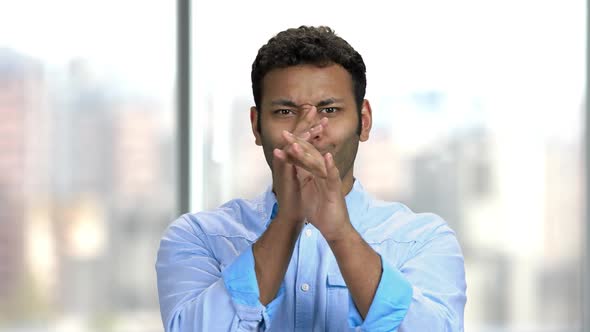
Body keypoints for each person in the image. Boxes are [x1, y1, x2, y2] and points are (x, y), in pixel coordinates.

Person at [156, 25, 466, 331]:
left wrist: (340, 233)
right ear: (256, 126)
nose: (309, 131)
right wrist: (289, 219)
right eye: (284, 113)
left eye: (329, 110)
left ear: (365, 121)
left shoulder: (422, 240)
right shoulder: (198, 238)